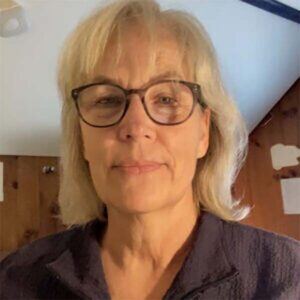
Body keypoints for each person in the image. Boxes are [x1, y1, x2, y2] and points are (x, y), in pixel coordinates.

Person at [1, 0, 299, 299]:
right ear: (81, 137)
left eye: (167, 99)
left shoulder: (288, 277)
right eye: (107, 100)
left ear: (203, 132)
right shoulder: (14, 281)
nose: (136, 126)